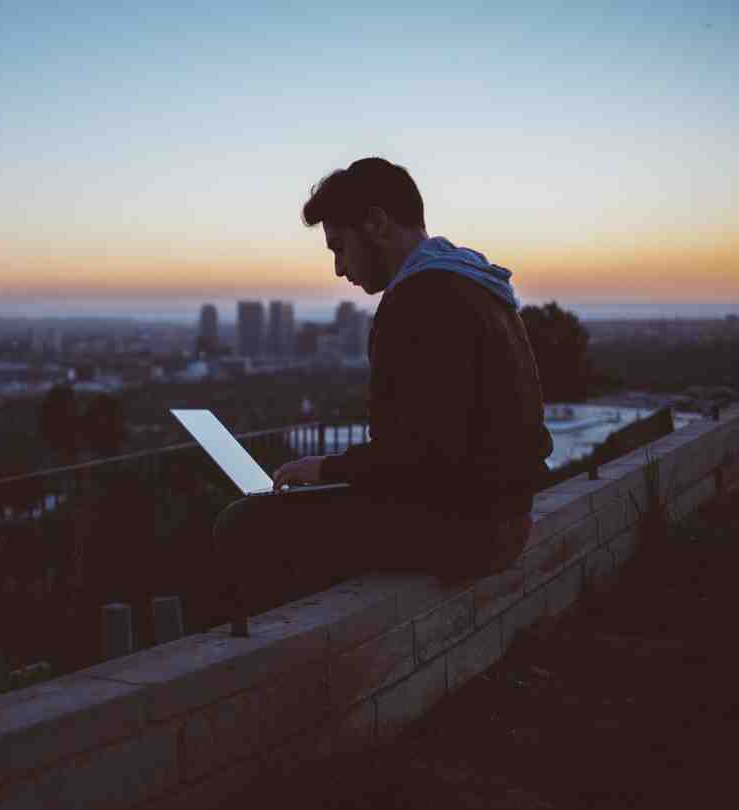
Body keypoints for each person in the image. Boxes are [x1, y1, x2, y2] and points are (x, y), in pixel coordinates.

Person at [212, 157, 554, 635]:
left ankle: (262, 676)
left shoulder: (421, 300)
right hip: (503, 518)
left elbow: (422, 458)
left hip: (465, 529)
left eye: (340, 247)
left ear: (376, 223)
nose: (338, 269)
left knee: (246, 526)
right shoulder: (476, 284)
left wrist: (328, 470)